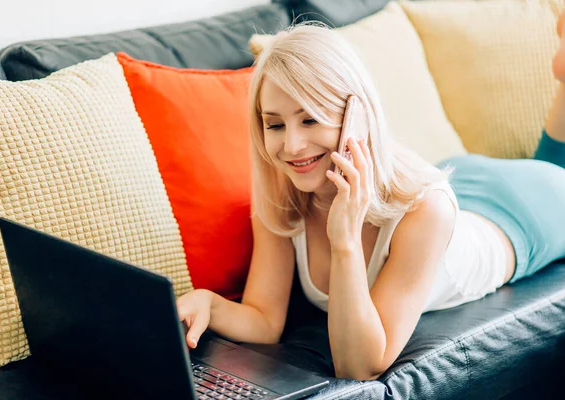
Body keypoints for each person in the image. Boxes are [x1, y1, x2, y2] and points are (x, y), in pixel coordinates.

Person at [176, 14, 565, 381]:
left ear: (357, 115)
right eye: (275, 124)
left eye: (310, 118)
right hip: (462, 176)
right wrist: (210, 303)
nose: (292, 145)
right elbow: (264, 319)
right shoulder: (283, 198)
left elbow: (361, 365)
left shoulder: (426, 210)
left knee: (558, 170)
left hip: (525, 211)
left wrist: (343, 240)